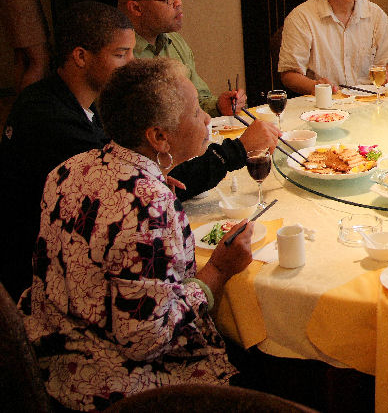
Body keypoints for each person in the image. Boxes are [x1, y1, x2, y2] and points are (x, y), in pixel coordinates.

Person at [0, 1, 279, 298]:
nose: (133, 64)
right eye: (121, 54)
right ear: (80, 57)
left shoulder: (83, 127)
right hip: (30, 279)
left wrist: (150, 177)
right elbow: (150, 336)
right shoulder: (52, 121)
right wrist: (219, 269)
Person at [20, 58, 255, 410]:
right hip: (115, 385)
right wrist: (218, 270)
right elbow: (148, 339)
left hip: (52, 357)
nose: (207, 120)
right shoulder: (147, 207)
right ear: (159, 137)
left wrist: (158, 183)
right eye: (194, 113)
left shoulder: (69, 169)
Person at [116, 0, 242, 116]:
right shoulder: (117, 52)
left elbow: (199, 99)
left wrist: (218, 106)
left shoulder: (174, 41)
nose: (178, 2)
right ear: (136, 8)